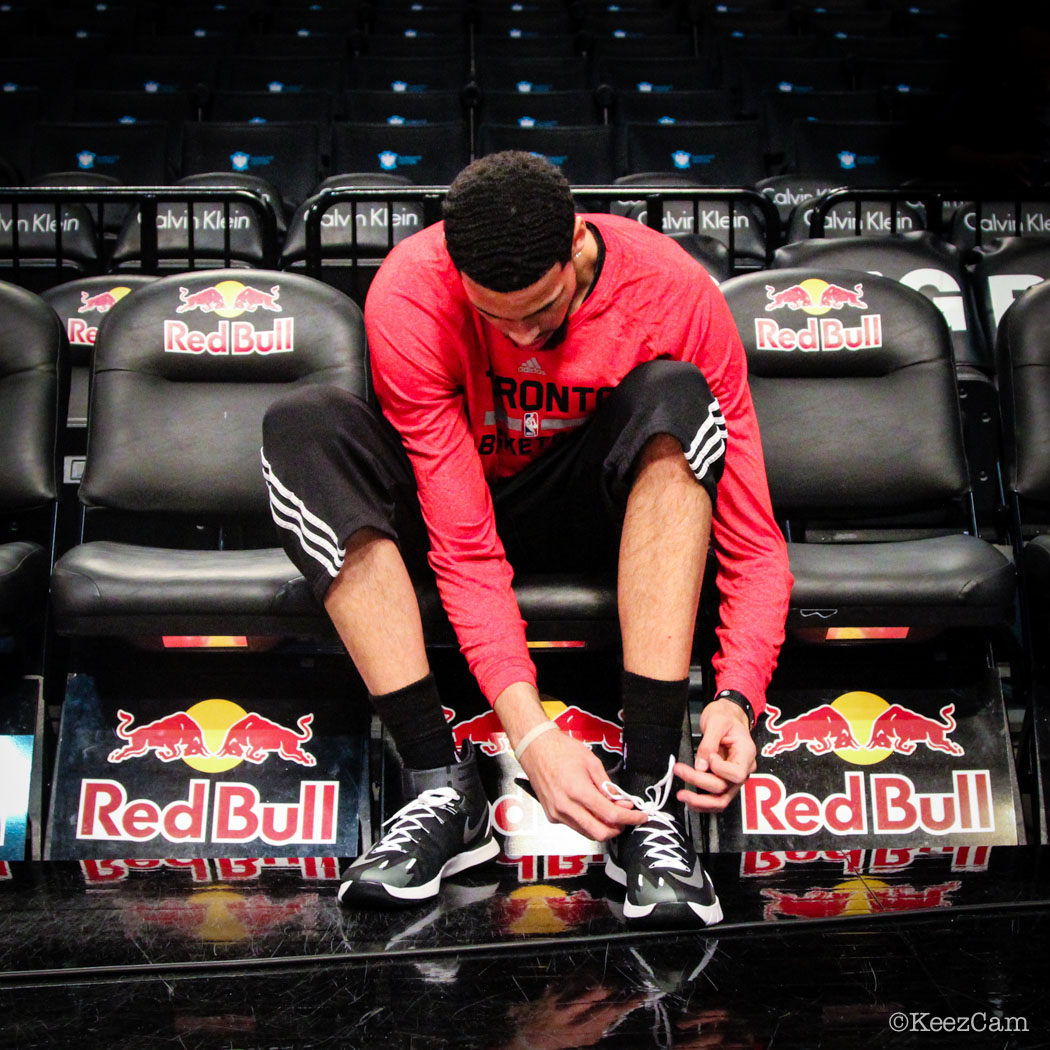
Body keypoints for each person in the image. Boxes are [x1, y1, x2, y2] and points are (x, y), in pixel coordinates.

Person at [261, 151, 792, 927]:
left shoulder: (670, 289)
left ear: (577, 245)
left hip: (595, 509)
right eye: (495, 316)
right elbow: (466, 548)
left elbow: (752, 535)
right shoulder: (412, 291)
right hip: (464, 507)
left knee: (675, 392)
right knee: (303, 425)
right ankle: (440, 787)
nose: (521, 334)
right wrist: (532, 732)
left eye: (541, 310)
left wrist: (739, 695)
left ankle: (644, 800)